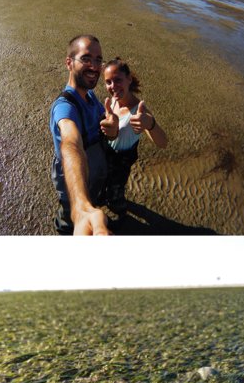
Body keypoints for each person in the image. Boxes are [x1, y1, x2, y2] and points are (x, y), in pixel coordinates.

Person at [49, 34, 118, 235]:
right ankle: (65, 226)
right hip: (74, 177)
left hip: (95, 170)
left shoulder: (90, 95)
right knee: (68, 213)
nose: (95, 66)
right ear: (69, 63)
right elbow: (71, 143)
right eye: (86, 58)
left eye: (98, 60)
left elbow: (103, 123)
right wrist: (80, 207)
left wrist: (112, 128)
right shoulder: (64, 107)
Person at [102, 57, 168, 214]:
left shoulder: (139, 112)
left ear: (129, 79)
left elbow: (163, 143)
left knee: (115, 194)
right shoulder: (113, 100)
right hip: (106, 153)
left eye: (117, 80)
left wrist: (150, 124)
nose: (113, 86)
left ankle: (120, 212)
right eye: (108, 82)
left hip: (121, 162)